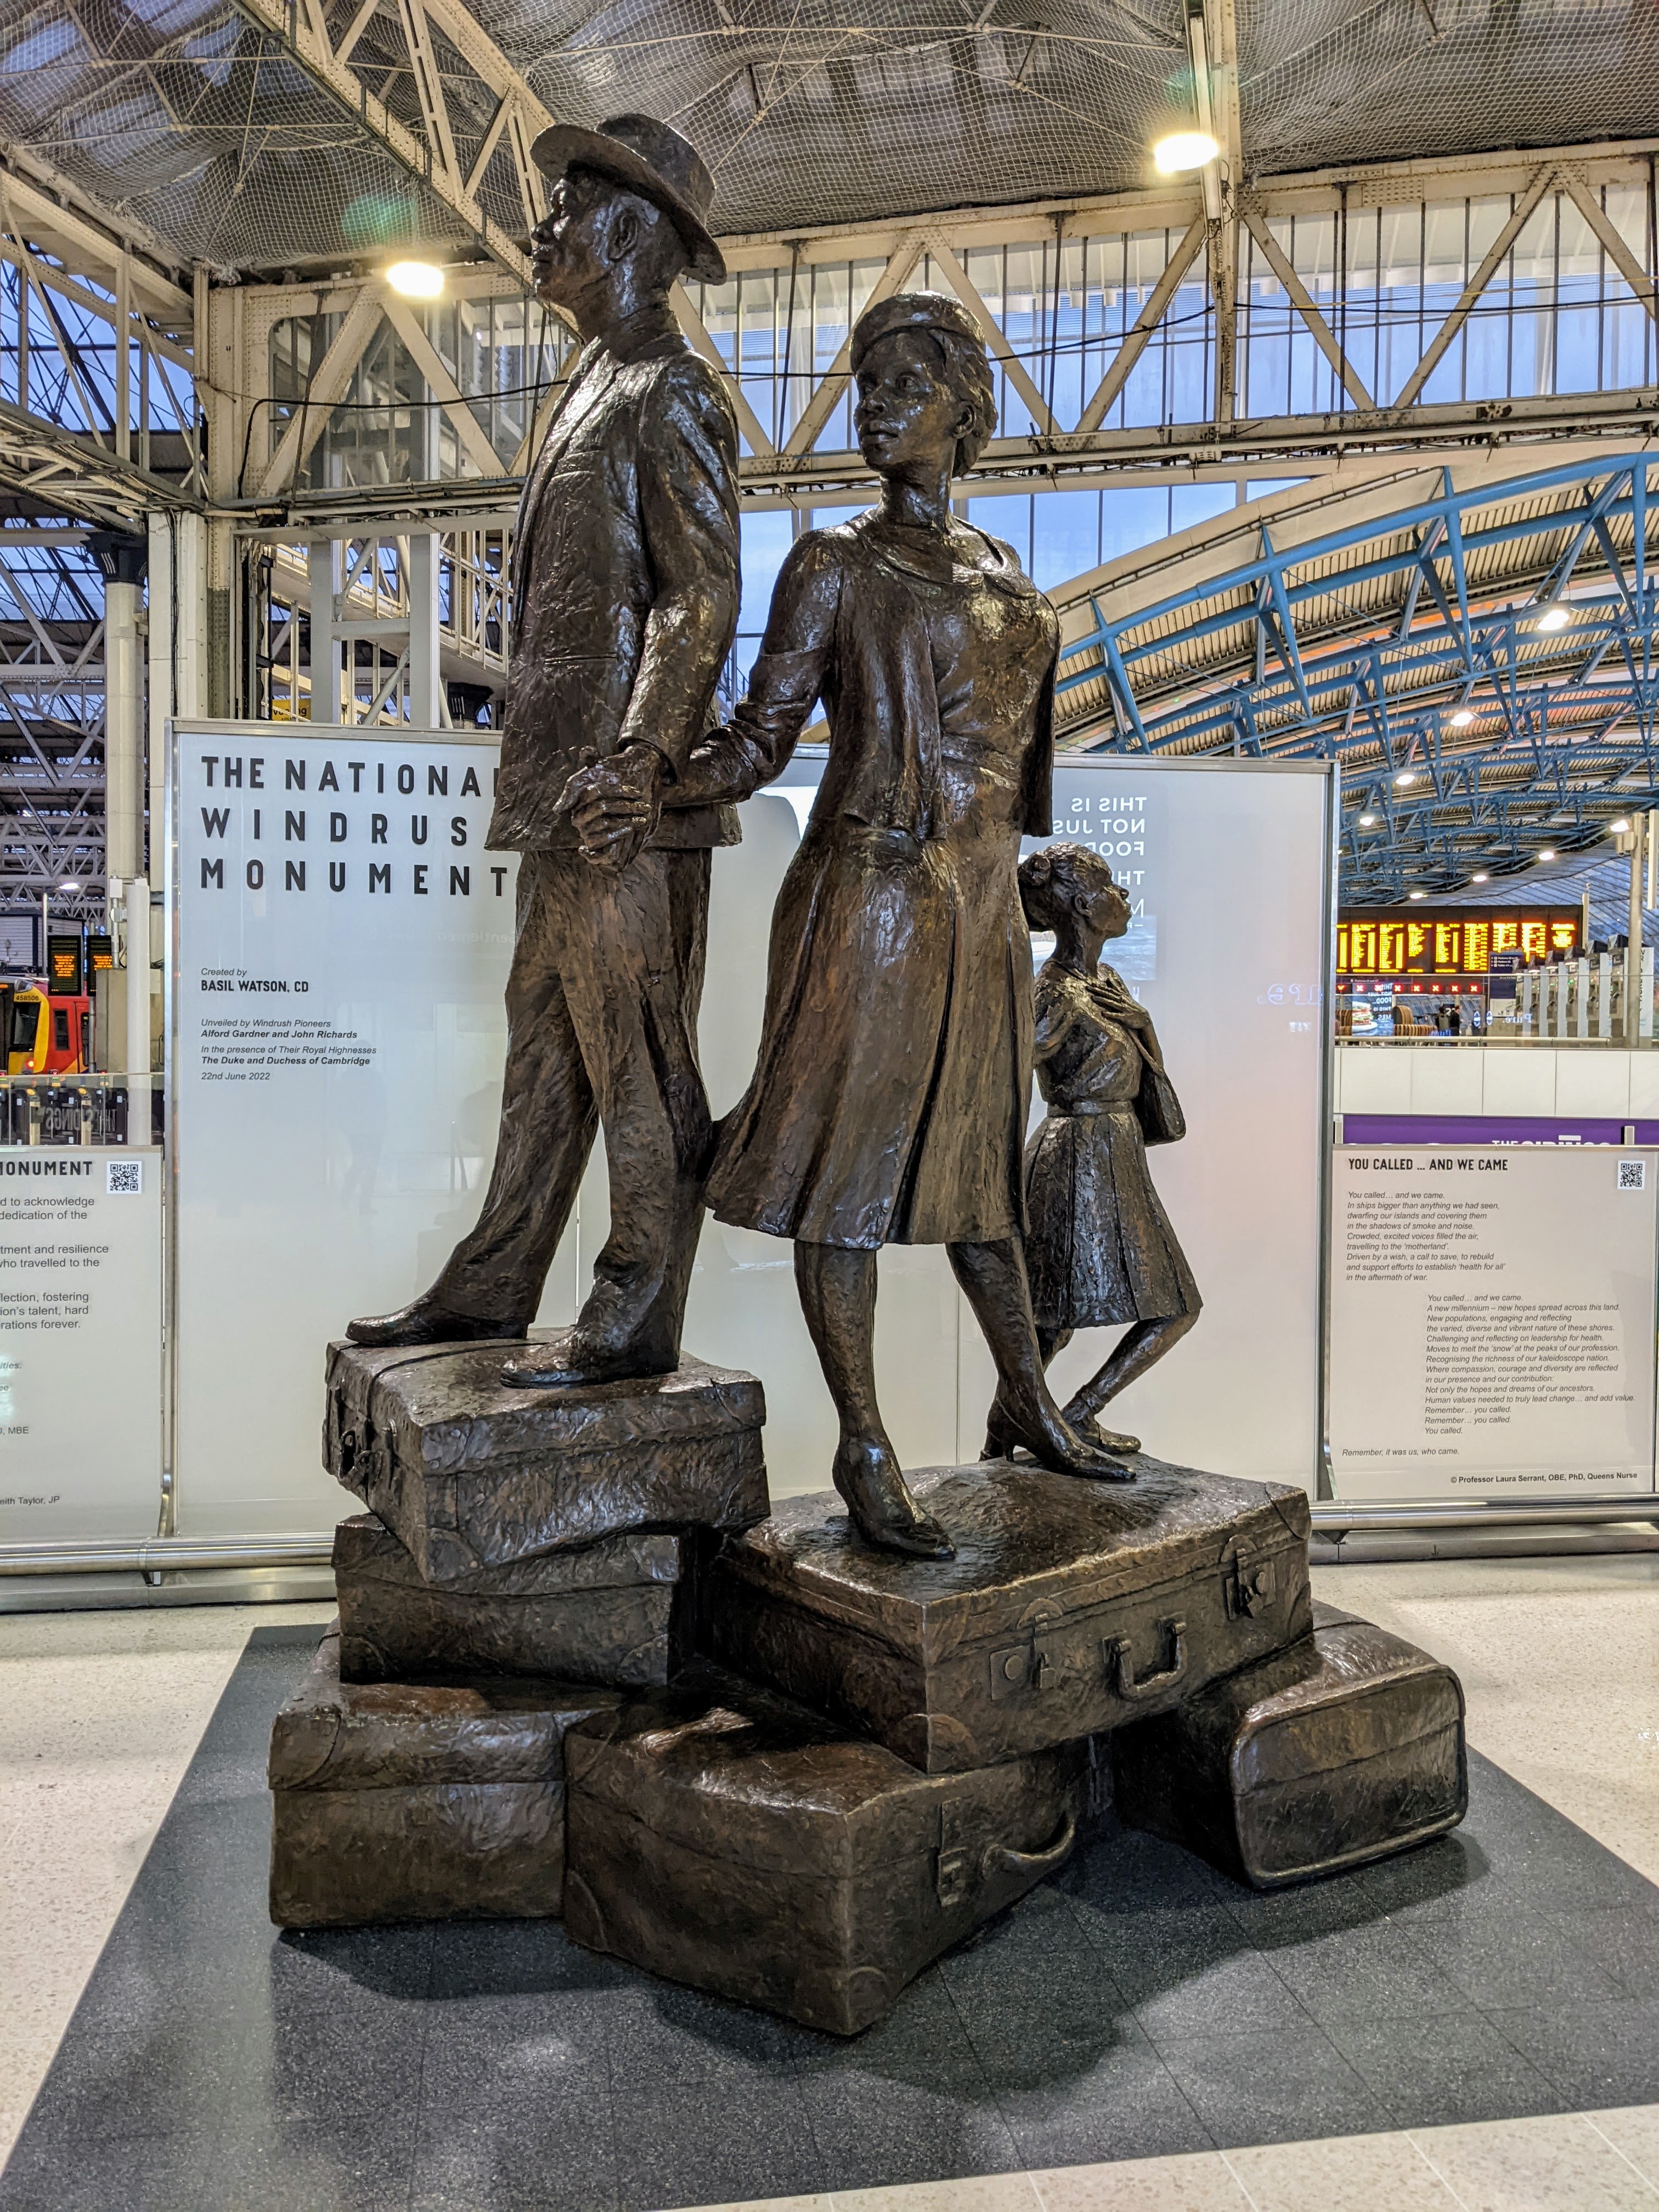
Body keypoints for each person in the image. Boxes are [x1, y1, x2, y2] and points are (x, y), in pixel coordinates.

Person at [672, 292, 1131, 1560]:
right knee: (849, 1180)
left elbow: (1018, 787)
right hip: (868, 897)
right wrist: (655, 781)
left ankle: (1028, 1399)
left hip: (982, 912)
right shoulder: (833, 564)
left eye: (903, 386)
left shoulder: (1015, 584)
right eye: (864, 386)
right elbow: (761, 738)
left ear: (964, 411)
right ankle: (863, 1441)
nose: (874, 407)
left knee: (981, 1180)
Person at [347, 116, 740, 1390]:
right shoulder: (590, 381)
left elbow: (700, 595)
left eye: (563, 208)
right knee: (545, 1042)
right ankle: (495, 1282)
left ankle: (634, 1308)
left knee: (636, 1057)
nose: (540, 227)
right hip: (569, 796)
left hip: (625, 804)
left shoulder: (672, 390)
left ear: (628, 231)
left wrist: (642, 754)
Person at [988, 842, 1200, 1458]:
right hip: (1075, 1156)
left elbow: (1145, 1083)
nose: (1122, 895)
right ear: (1083, 906)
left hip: (1116, 1150)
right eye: (1109, 885)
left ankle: (1065, 1417)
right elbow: (1005, 1072)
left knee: (1161, 1307)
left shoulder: (1107, 983)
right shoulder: (1054, 991)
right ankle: (1017, 1434)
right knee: (1052, 1320)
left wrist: (1144, 1024)